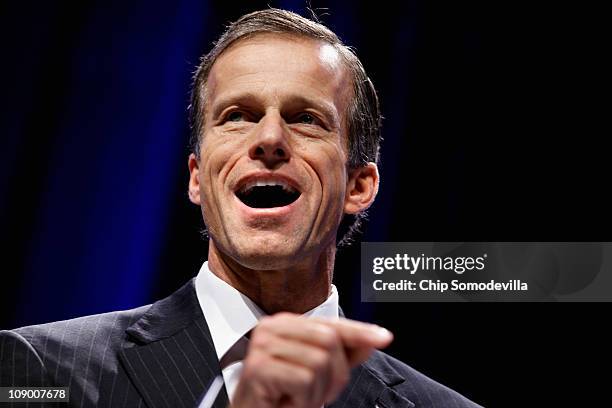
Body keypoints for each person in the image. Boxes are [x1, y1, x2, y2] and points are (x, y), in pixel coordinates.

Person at [0, 9, 481, 408]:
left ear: (359, 185)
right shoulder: (41, 370)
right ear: (196, 177)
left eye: (305, 119)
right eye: (238, 116)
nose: (269, 139)